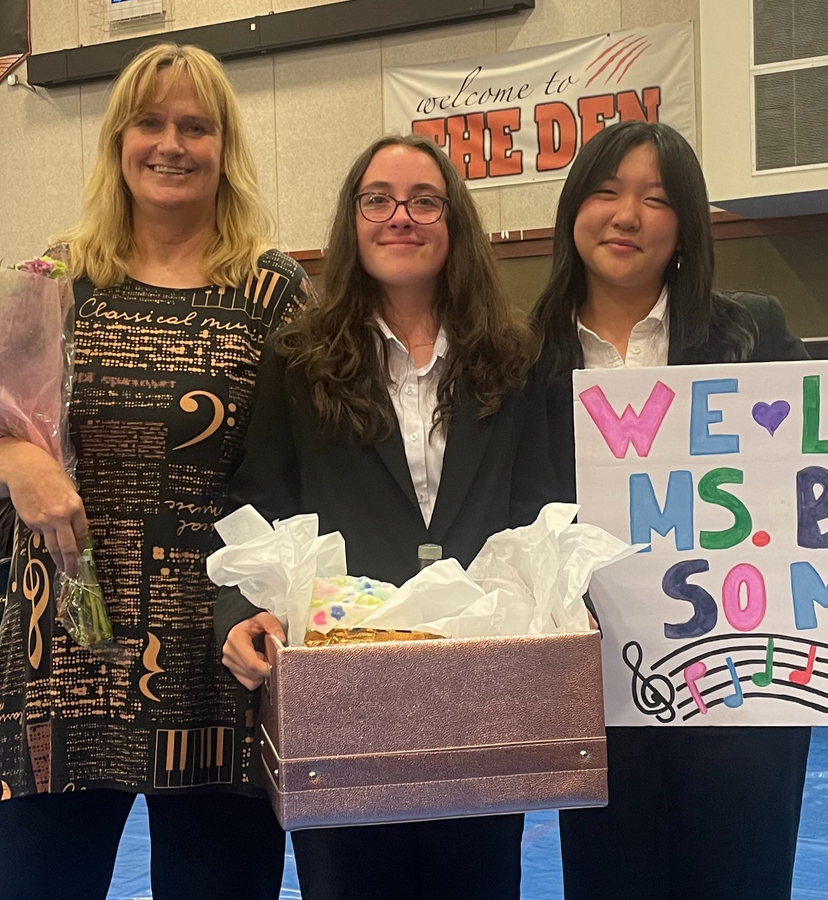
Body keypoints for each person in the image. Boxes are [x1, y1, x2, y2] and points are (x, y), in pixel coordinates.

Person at [0, 43, 308, 900]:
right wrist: (14, 458)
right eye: (150, 122)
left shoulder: (271, 291)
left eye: (195, 126)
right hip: (61, 651)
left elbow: (302, 464)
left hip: (217, 658)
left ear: (225, 147)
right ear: (118, 141)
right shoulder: (57, 279)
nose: (170, 144)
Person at [217, 133, 550, 900]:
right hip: (344, 700)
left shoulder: (513, 358)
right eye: (379, 200)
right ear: (353, 219)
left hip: (480, 697)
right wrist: (238, 609)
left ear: (454, 221)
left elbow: (536, 509)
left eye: (424, 200)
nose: (401, 216)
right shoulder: (298, 360)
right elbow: (256, 503)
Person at [532, 121, 811, 900]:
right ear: (573, 210)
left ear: (685, 226)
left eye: (656, 199)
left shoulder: (753, 333)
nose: (627, 215)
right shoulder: (525, 357)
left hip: (743, 687)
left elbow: (827, 474)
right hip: (599, 689)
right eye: (606, 191)